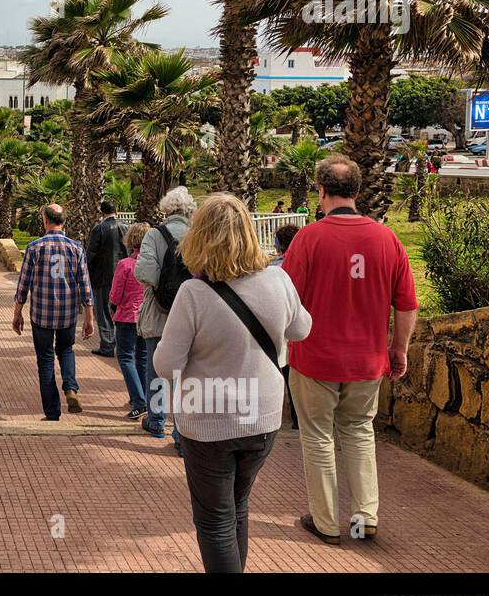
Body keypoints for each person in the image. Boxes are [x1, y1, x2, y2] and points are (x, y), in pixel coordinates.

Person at [153, 193, 313, 573]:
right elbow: (302, 329)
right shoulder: (277, 279)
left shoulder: (193, 294)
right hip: (262, 417)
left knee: (214, 520)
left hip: (208, 419)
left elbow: (166, 364)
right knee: (237, 507)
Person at [281, 155, 417, 546]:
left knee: (318, 438)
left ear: (320, 192)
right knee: (359, 432)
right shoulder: (387, 239)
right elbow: (406, 304)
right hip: (367, 361)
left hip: (313, 359)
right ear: (356, 192)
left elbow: (286, 299)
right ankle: (364, 518)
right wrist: (399, 349)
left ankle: (325, 523)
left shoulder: (308, 239)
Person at [13, 204, 95, 421]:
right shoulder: (76, 247)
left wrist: (17, 312)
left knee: (45, 359)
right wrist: (89, 316)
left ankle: (52, 412)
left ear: (45, 221)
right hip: (67, 314)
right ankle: (70, 387)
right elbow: (85, 285)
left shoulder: (34, 247)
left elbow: (23, 284)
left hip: (42, 314)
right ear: (63, 221)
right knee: (66, 350)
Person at [135, 186, 197, 446]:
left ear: (166, 209)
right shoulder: (197, 235)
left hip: (160, 314)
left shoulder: (154, 235)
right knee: (188, 375)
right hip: (193, 314)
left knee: (156, 370)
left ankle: (157, 420)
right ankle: (182, 433)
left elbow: (145, 273)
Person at [109, 222, 150, 420]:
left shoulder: (125, 264)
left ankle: (139, 401)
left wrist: (113, 306)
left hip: (127, 316)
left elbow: (115, 295)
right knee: (142, 358)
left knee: (125, 357)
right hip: (146, 317)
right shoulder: (152, 264)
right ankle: (143, 397)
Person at [270, 222, 302, 428]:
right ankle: (298, 418)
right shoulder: (307, 264)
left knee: (281, 372)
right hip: (300, 326)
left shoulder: (272, 269)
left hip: (279, 328)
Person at [86, 200, 127, 357]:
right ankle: (119, 344)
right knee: (120, 311)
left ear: (101, 212)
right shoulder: (125, 227)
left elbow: (91, 254)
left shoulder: (99, 228)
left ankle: (107, 345)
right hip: (122, 275)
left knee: (103, 311)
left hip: (103, 277)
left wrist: (86, 274)